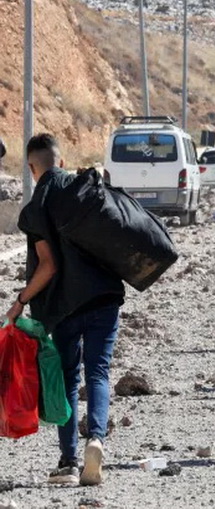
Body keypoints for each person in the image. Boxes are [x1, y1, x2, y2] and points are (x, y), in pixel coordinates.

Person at [5, 134, 125, 487]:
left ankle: (69, 461)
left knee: (70, 378)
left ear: (31, 167)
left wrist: (21, 300)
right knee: (99, 373)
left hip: (64, 306)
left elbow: (48, 265)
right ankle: (97, 440)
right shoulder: (85, 187)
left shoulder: (35, 208)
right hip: (104, 297)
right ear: (60, 160)